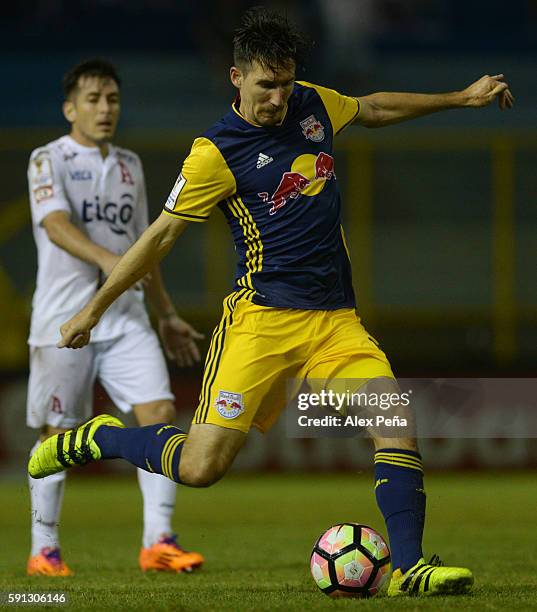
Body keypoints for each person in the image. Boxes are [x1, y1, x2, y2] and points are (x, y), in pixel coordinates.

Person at [29, 9, 513, 596]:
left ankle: (410, 568)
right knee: (201, 468)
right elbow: (158, 236)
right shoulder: (215, 151)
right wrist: (91, 311)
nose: (279, 98)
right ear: (237, 77)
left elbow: (373, 107)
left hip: (336, 323)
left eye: (285, 84)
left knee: (395, 421)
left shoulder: (312, 103)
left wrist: (461, 98)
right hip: (259, 324)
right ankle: (102, 438)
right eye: (266, 86)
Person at [26, 59, 205, 576]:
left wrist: (166, 313)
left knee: (159, 416)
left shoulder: (130, 163)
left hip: (127, 318)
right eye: (93, 99)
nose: (105, 109)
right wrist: (110, 261)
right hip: (64, 319)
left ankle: (160, 542)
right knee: (57, 432)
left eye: (113, 99)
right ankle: (44, 550)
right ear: (70, 108)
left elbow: (145, 246)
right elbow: (55, 224)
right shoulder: (47, 159)